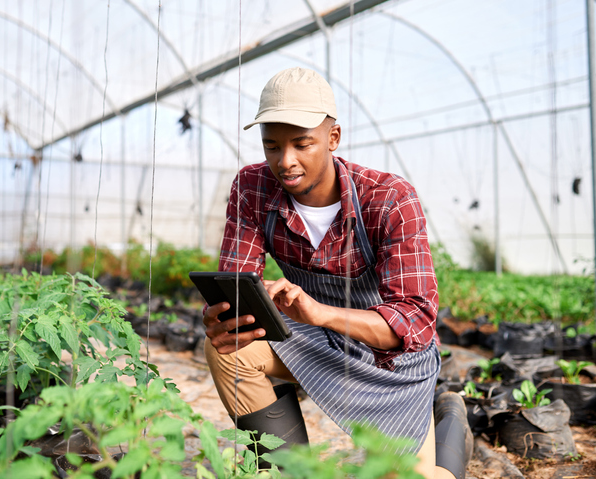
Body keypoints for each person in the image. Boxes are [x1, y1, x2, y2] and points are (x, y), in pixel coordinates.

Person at [202, 67, 471, 479]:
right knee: (231, 350)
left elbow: (414, 319)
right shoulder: (253, 187)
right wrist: (227, 316)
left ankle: (450, 420)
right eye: (271, 145)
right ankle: (288, 472)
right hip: (314, 340)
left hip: (390, 361)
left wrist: (320, 313)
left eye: (301, 143)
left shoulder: (388, 198)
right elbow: (237, 283)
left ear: (333, 138)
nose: (285, 161)